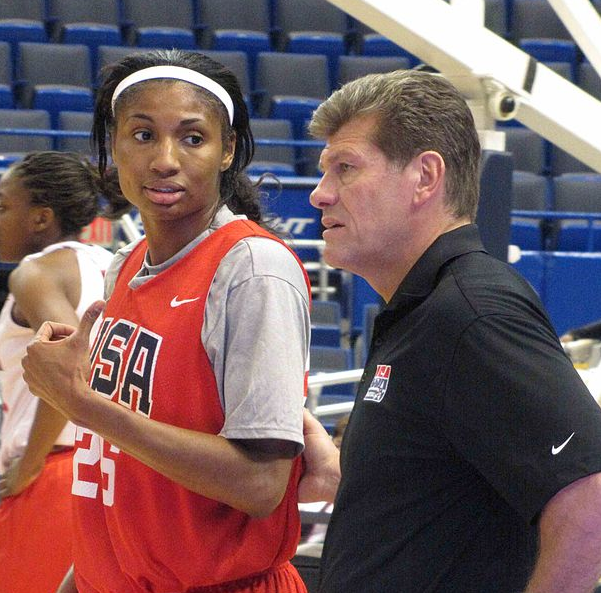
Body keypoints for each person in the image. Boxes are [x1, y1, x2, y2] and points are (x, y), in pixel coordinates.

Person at [297, 69, 601, 593]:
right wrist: (343, 471)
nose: (320, 195)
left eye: (345, 168)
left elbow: (591, 496)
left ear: (425, 177)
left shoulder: (472, 313)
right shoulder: (425, 310)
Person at [21, 49, 311, 593]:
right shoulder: (124, 267)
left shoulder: (252, 267)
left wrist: (81, 404)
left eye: (193, 137)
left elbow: (260, 484)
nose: (165, 159)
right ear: (113, 147)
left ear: (228, 151)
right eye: (143, 135)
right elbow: (116, 475)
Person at [0, 151, 123, 593]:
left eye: (2, 207)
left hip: (51, 472)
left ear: (41, 218)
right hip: (108, 470)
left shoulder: (33, 274)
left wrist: (28, 468)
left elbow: (66, 360)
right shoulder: (112, 265)